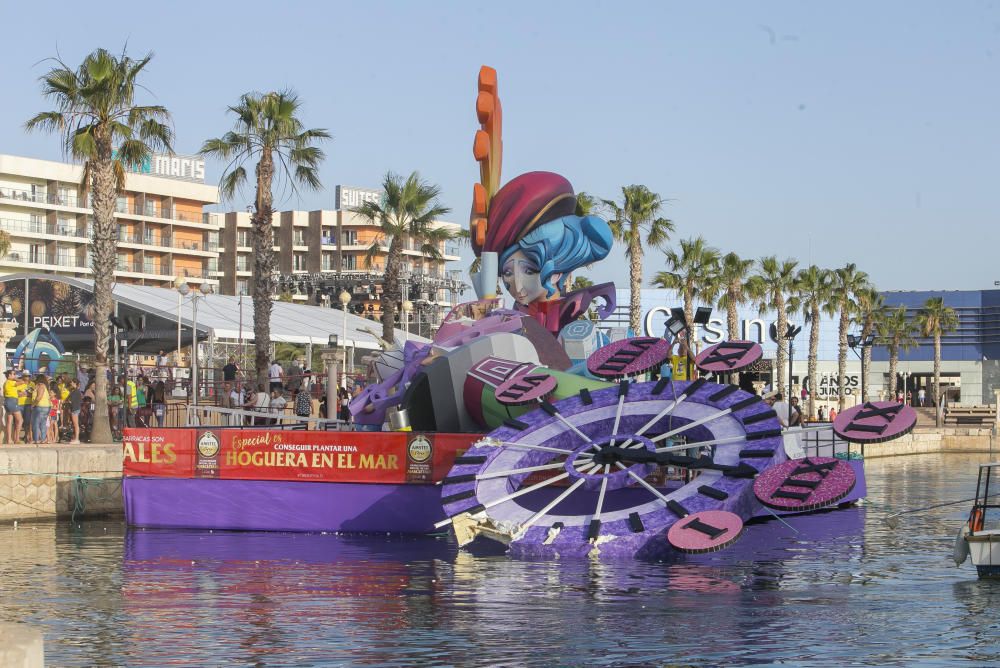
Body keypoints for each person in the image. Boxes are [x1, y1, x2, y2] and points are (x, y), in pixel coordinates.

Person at [31, 375, 51, 444]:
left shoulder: (40, 386)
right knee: (43, 423)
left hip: (40, 406)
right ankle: (43, 439)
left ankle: (36, 439)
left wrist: (33, 405)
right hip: (46, 407)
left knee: (36, 423)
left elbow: (39, 397)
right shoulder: (44, 386)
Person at [4, 370, 21, 445]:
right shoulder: (11, 382)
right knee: (20, 420)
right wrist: (14, 378)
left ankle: (9, 439)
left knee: (9, 421)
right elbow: (22, 381)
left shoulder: (6, 383)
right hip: (12, 401)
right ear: (9, 375)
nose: (15, 375)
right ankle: (16, 438)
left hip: (8, 401)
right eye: (13, 374)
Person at [68, 379, 82, 443]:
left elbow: (71, 400)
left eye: (72, 383)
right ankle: (76, 438)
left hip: (75, 409)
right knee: (75, 424)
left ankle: (77, 438)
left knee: (75, 424)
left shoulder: (76, 391)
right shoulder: (76, 391)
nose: (71, 384)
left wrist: (68, 401)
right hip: (75, 408)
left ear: (75, 383)